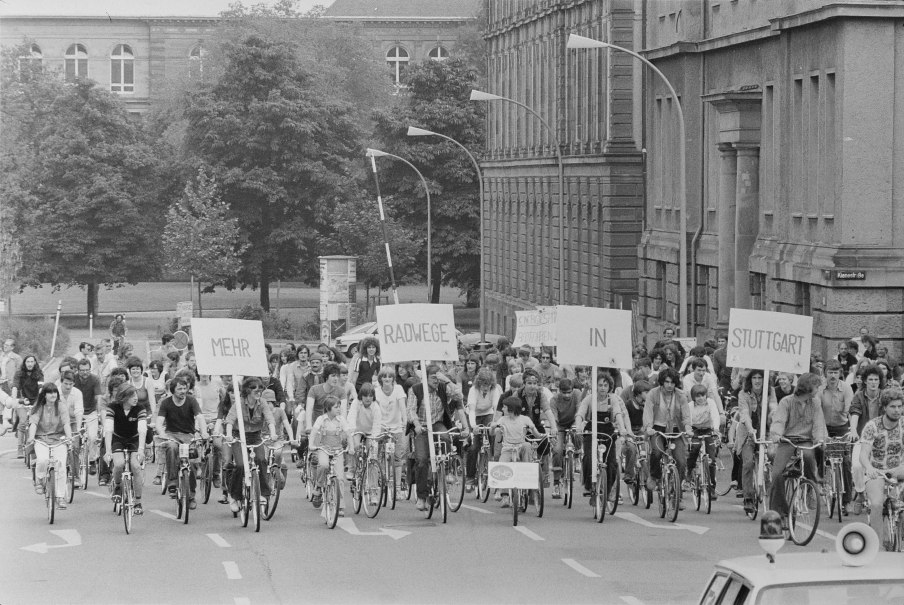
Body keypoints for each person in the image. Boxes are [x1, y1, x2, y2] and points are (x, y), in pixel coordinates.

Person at [407, 364, 470, 511]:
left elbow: (459, 396)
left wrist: (446, 380)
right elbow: (410, 410)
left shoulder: (443, 387)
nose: (436, 381)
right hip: (422, 426)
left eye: (438, 378)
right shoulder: (416, 389)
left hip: (437, 423)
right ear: (426, 378)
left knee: (446, 437)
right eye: (433, 378)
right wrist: (416, 425)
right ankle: (422, 497)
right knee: (422, 460)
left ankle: (446, 470)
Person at [768, 373, 828, 527]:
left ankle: (810, 487)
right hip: (787, 440)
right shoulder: (786, 402)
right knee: (776, 475)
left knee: (808, 456)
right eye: (816, 387)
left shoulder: (815, 403)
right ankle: (779, 512)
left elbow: (818, 424)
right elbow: (779, 420)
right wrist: (776, 434)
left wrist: (819, 439)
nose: (817, 390)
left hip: (806, 441)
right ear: (808, 387)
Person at [224, 377, 276, 513]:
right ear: (247, 391)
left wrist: (273, 432)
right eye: (255, 389)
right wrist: (229, 434)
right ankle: (234, 496)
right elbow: (230, 420)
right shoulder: (239, 404)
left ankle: (264, 494)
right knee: (240, 465)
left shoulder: (262, 403)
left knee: (261, 460)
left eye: (260, 389)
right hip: (238, 436)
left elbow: (270, 418)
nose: (258, 392)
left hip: (255, 436)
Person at [859, 387, 904, 539]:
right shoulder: (872, 426)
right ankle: (876, 543)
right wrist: (869, 468)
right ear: (884, 408)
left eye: (899, 406)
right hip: (877, 472)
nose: (897, 410)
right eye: (893, 406)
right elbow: (863, 454)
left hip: (899, 470)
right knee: (877, 504)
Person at [157, 375, 208, 509]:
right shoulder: (166, 403)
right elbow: (159, 422)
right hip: (172, 435)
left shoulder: (191, 401)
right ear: (173, 390)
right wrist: (162, 434)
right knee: (172, 448)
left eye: (185, 388)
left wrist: (204, 432)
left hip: (188, 436)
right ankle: (172, 482)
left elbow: (200, 417)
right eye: (180, 389)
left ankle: (191, 495)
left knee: (191, 464)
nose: (183, 391)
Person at [643, 368, 692, 507]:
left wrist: (688, 428)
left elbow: (686, 414)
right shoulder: (653, 393)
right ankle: (654, 475)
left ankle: (677, 496)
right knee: (657, 452)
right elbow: (647, 411)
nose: (670, 385)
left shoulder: (681, 395)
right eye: (667, 382)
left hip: (675, 430)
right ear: (662, 382)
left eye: (672, 382)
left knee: (681, 462)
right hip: (657, 429)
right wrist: (648, 427)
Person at [575, 372, 626, 502]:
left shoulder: (612, 399)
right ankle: (590, 486)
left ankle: (608, 491)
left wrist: (622, 428)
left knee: (612, 463)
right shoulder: (589, 398)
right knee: (588, 459)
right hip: (591, 432)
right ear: (595, 386)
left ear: (610, 386)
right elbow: (580, 414)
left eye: (605, 385)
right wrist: (579, 426)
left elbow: (618, 414)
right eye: (600, 385)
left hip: (608, 432)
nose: (602, 388)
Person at [737, 369, 777, 512]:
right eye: (754, 377)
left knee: (774, 456)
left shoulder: (770, 391)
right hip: (748, 434)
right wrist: (750, 429)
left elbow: (773, 408)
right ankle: (748, 498)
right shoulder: (743, 394)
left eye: (760, 377)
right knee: (748, 462)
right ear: (750, 380)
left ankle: (777, 493)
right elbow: (744, 413)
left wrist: (774, 419)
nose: (758, 380)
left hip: (766, 432)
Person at [27, 383, 72, 510]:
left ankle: (60, 497)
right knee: (42, 460)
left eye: (55, 392)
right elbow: (33, 423)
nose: (53, 395)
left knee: (61, 466)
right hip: (41, 439)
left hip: (59, 439)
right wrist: (31, 437)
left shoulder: (61, 406)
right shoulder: (39, 406)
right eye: (50, 392)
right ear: (44, 395)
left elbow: (66, 423)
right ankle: (39, 480)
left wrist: (69, 437)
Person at [103, 385, 147, 515]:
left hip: (134, 439)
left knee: (136, 466)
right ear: (124, 397)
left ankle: (138, 501)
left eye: (136, 395)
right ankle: (117, 486)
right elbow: (108, 429)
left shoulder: (140, 408)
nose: (135, 398)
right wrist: (108, 450)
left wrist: (141, 450)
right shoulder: (112, 407)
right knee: (119, 464)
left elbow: (142, 430)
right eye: (132, 396)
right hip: (118, 439)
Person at [492, 397, 543, 508]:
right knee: (502, 466)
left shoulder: (524, 419)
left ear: (511, 408)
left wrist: (536, 432)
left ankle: (527, 476)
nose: (503, 409)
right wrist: (494, 428)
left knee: (527, 445)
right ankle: (505, 495)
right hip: (507, 448)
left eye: (504, 407)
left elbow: (537, 434)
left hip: (521, 446)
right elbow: (494, 435)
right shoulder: (502, 420)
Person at [818, 359, 855, 513]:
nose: (833, 376)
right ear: (824, 373)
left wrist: (852, 429)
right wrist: (822, 434)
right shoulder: (820, 389)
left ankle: (846, 501)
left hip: (841, 427)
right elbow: (817, 412)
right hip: (823, 425)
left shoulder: (846, 388)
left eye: (835, 372)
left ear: (840, 373)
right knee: (819, 451)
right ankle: (820, 481)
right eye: (830, 372)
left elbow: (850, 409)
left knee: (845, 461)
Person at [849, 364, 885, 514]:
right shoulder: (859, 396)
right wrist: (853, 430)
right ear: (865, 381)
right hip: (863, 437)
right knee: (857, 466)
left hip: (882, 438)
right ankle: (860, 493)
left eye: (876, 379)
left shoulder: (884, 395)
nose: (873, 382)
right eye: (870, 379)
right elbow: (855, 413)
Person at [308, 395, 348, 513]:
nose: (339, 409)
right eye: (336, 407)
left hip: (338, 450)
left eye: (339, 407)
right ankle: (319, 485)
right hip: (324, 449)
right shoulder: (321, 419)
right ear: (328, 408)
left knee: (340, 478)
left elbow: (348, 433)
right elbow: (314, 432)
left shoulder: (341, 420)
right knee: (324, 465)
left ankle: (340, 504)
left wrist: (350, 447)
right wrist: (311, 445)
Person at [465, 367, 502, 491]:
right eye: (483, 384)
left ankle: (492, 467)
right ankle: (470, 477)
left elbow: (497, 408)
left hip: (488, 413)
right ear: (478, 383)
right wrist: (473, 426)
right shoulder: (473, 390)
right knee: (474, 446)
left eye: (488, 384)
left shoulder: (495, 389)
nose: (486, 387)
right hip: (474, 415)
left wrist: (495, 423)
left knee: (494, 438)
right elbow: (471, 410)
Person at [374, 366, 409, 494]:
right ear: (380, 379)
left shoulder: (399, 389)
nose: (387, 379)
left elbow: (402, 407)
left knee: (398, 457)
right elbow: (376, 410)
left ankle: (398, 487)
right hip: (381, 426)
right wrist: (378, 427)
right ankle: (380, 478)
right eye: (384, 376)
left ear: (393, 378)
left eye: (389, 376)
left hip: (396, 426)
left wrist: (404, 421)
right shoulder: (377, 391)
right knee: (377, 453)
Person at [685, 384, 721, 498]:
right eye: (698, 396)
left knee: (711, 459)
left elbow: (715, 416)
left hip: (708, 430)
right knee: (694, 449)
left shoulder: (710, 403)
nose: (701, 398)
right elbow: (688, 420)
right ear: (693, 397)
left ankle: (712, 488)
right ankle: (689, 473)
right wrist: (689, 432)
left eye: (703, 395)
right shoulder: (690, 406)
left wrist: (716, 429)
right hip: (695, 430)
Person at [347, 383, 382, 484]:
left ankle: (372, 481)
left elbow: (377, 424)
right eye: (365, 396)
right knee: (355, 445)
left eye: (370, 396)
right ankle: (352, 468)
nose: (368, 398)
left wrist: (374, 438)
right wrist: (352, 431)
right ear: (361, 396)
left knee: (372, 453)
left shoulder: (376, 406)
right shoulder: (356, 403)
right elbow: (351, 418)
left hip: (371, 432)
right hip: (358, 430)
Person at [620, 380, 651, 487]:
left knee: (645, 452)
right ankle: (628, 475)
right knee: (632, 449)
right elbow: (623, 419)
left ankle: (648, 477)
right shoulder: (628, 404)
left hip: (641, 431)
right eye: (646, 392)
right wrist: (626, 433)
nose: (649, 394)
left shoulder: (646, 405)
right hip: (629, 431)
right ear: (638, 393)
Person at [12, 354, 43, 458]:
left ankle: (35, 446)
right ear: (24, 363)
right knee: (22, 423)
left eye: (32, 362)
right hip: (23, 401)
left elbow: (41, 388)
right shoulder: (19, 374)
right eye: (27, 362)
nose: (30, 364)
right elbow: (15, 387)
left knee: (36, 423)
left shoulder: (39, 373)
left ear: (35, 363)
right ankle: (20, 448)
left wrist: (38, 401)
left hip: (36, 402)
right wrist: (15, 400)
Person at [57, 370, 84, 486]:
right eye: (66, 384)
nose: (68, 386)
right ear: (61, 382)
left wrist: (78, 428)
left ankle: (76, 476)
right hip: (59, 423)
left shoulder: (77, 393)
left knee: (75, 448)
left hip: (73, 422)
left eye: (71, 384)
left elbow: (79, 410)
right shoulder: (56, 392)